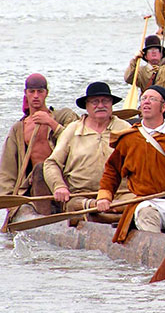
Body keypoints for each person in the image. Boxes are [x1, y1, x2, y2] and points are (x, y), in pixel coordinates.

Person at [96, 85, 165, 243]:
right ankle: (157, 253)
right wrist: (104, 197)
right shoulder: (129, 138)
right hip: (148, 203)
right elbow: (112, 171)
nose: (146, 102)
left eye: (152, 99)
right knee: (146, 215)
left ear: (163, 107)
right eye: (144, 99)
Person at [43, 82, 131, 216]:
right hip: (82, 197)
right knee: (76, 205)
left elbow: (142, 163)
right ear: (87, 106)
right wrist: (59, 186)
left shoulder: (125, 129)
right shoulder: (72, 130)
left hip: (120, 195)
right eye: (95, 102)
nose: (100, 105)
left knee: (137, 204)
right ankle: (98, 208)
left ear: (111, 104)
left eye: (105, 101)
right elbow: (51, 163)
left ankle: (109, 209)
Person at [0, 73, 78, 215]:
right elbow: (7, 166)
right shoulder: (19, 128)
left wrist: (51, 123)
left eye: (40, 92)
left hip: (65, 179)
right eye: (32, 91)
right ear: (26, 93)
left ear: (46, 93)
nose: (36, 96)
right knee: (40, 168)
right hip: (36, 183)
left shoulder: (64, 116)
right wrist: (9, 199)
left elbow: (78, 143)